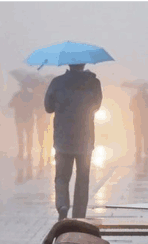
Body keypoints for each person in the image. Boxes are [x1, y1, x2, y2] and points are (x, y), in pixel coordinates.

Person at [44, 63, 103, 220]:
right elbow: (97, 106)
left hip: (62, 139)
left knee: (62, 177)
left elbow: (48, 107)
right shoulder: (93, 83)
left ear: (68, 64)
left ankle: (62, 205)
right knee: (83, 178)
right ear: (84, 64)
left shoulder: (57, 82)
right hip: (85, 138)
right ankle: (79, 215)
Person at [9, 84, 36, 160]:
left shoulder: (17, 95)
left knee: (20, 137)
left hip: (19, 119)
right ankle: (29, 153)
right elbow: (35, 105)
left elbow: (10, 104)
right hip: (29, 119)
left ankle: (21, 152)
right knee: (29, 137)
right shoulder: (31, 95)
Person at [129, 86, 148, 162]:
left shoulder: (135, 97)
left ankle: (139, 150)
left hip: (137, 119)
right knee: (146, 135)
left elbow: (131, 107)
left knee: (138, 136)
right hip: (146, 119)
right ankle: (146, 150)